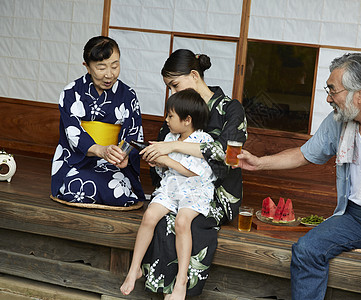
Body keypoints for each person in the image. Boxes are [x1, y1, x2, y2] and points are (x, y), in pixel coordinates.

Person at [237, 53, 361, 300]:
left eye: (333, 90)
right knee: (306, 250)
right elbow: (303, 154)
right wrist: (259, 163)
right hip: (353, 216)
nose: (328, 98)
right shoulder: (340, 120)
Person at [126, 49, 246, 297]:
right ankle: (164, 288)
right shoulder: (178, 110)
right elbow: (164, 157)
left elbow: (227, 154)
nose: (172, 92)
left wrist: (174, 146)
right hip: (177, 185)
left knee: (182, 222)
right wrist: (155, 159)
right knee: (158, 218)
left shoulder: (231, 109)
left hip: (217, 192)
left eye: (174, 85)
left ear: (194, 75)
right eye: (169, 88)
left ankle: (181, 289)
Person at [120, 89, 216, 299]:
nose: (167, 119)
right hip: (172, 188)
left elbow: (193, 172)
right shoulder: (170, 137)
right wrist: (157, 163)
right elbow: (168, 171)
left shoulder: (203, 140)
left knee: (182, 221)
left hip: (195, 190)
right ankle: (134, 268)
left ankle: (181, 280)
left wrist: (166, 159)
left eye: (171, 115)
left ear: (187, 119)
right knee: (150, 216)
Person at [51, 36, 145, 206]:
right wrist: (99, 150)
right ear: (87, 66)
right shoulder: (71, 92)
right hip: (80, 159)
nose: (109, 74)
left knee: (118, 191)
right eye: (101, 67)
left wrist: (123, 155)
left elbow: (133, 132)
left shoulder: (128, 95)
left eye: (115, 66)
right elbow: (72, 132)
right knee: (76, 188)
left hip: (113, 161)